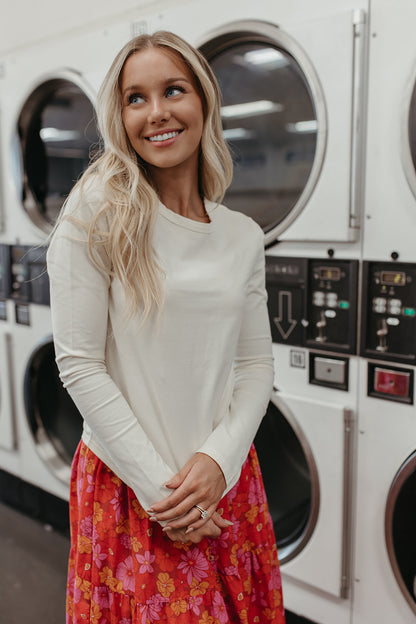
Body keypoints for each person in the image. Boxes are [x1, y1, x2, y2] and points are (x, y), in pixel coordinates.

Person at [47, 30, 285, 624]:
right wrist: (164, 495)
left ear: (202, 99)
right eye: (135, 98)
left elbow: (255, 364)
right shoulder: (95, 212)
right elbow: (79, 363)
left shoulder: (241, 235)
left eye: (173, 90)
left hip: (224, 483)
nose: (157, 114)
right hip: (130, 488)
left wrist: (218, 463)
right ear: (119, 113)